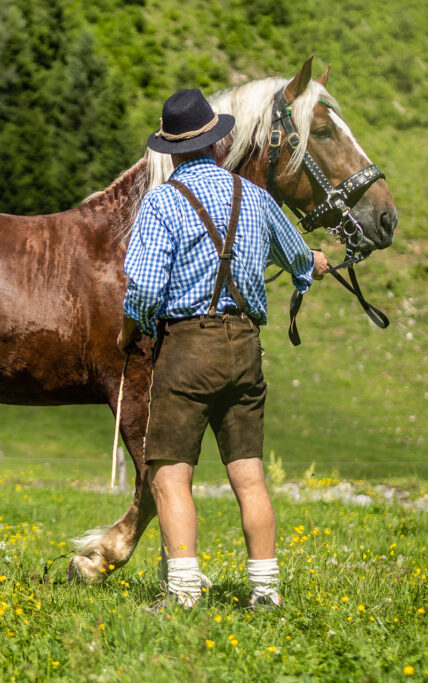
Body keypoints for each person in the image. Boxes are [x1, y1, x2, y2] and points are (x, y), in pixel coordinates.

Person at [118, 88, 329, 609]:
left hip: (188, 349)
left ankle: (185, 590)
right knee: (249, 475)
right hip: (245, 349)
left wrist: (134, 330)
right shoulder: (252, 197)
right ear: (217, 142)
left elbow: (143, 289)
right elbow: (300, 261)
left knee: (169, 475)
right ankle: (265, 590)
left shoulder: (163, 201)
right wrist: (315, 264)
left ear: (169, 150)